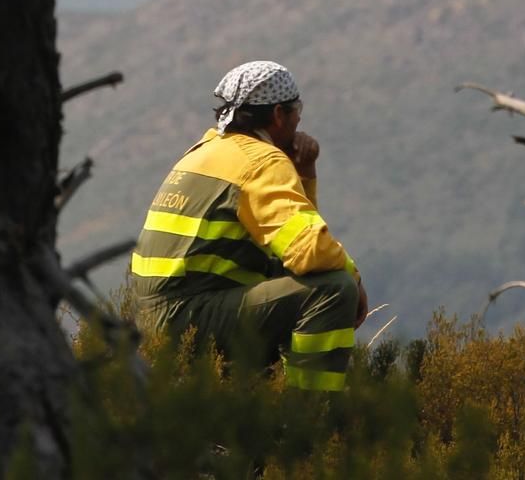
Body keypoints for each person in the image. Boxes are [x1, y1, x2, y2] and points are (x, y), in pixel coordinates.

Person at [130, 60, 368, 391]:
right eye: (297, 111)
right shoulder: (261, 161)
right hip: (187, 319)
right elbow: (309, 251)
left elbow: (290, 243)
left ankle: (258, 394)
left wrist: (304, 173)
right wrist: (354, 278)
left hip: (155, 323)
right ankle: (311, 416)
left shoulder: (205, 151)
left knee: (283, 269)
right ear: (278, 115)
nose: (300, 121)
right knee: (334, 289)